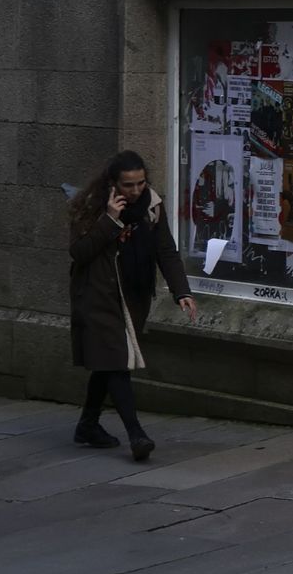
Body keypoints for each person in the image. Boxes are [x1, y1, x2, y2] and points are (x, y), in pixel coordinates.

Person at [68, 151, 198, 460]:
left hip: (133, 294)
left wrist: (182, 291)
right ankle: (137, 435)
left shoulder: (151, 204)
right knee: (116, 361)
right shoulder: (90, 206)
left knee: (109, 363)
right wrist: (110, 220)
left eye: (140, 183)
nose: (136, 190)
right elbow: (80, 252)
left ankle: (87, 425)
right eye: (128, 185)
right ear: (112, 183)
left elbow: (165, 249)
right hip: (98, 295)